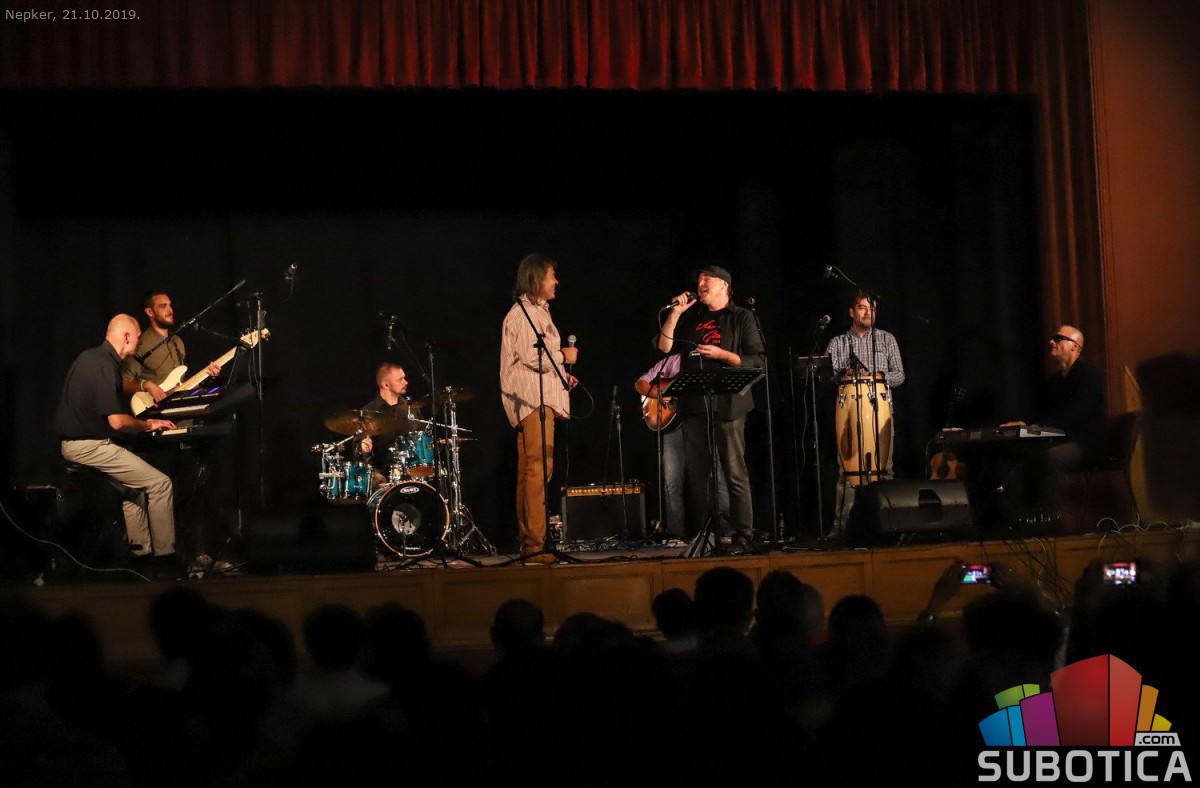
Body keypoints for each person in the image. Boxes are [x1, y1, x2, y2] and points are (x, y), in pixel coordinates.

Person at [54, 314, 181, 574]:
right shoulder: (104, 364)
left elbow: (117, 387)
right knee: (160, 484)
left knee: (133, 491)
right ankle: (165, 560)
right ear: (126, 337)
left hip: (74, 446)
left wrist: (144, 384)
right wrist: (149, 424)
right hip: (89, 447)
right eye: (137, 338)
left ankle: (140, 557)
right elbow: (117, 422)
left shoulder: (91, 357)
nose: (139, 344)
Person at [657, 265, 763, 547]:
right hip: (694, 406)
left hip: (729, 405)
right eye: (699, 279)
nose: (700, 283)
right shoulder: (690, 317)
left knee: (733, 472)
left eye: (707, 279)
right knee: (698, 476)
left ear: (724, 285)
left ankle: (743, 534)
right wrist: (675, 314)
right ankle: (708, 534)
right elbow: (664, 347)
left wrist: (724, 355)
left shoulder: (741, 317)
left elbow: (758, 361)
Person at [499, 253, 578, 564]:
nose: (556, 281)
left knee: (531, 472)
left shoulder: (536, 313)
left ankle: (531, 543)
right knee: (538, 470)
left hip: (537, 400)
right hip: (535, 402)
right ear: (536, 279)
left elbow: (535, 359)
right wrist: (563, 356)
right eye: (551, 276)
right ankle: (535, 546)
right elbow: (534, 357)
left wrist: (562, 375)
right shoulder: (523, 314)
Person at [993, 323, 1105, 521]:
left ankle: (1054, 518)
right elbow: (1044, 413)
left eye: (1059, 338)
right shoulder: (1055, 380)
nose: (1051, 342)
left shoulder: (1089, 375)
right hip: (1060, 439)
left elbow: (1076, 414)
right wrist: (1024, 423)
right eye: (1053, 338)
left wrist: (1037, 427)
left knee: (1051, 457)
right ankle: (1019, 518)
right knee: (1020, 455)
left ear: (1075, 346)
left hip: (1084, 444)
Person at [825, 290, 905, 531]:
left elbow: (900, 375)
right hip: (849, 412)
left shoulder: (886, 339)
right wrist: (844, 373)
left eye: (872, 309)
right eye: (862, 308)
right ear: (852, 312)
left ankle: (888, 526)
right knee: (847, 471)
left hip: (880, 410)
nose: (869, 313)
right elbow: (826, 375)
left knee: (884, 469)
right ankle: (842, 528)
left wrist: (881, 376)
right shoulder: (838, 342)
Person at [634, 353, 728, 541]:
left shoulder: (710, 360)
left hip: (701, 423)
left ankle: (726, 532)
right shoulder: (672, 361)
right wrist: (661, 394)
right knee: (672, 481)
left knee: (717, 475)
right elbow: (640, 384)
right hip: (674, 426)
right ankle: (676, 534)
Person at [121, 290, 221, 403]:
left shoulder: (177, 341)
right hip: (154, 409)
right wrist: (146, 385)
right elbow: (123, 383)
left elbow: (181, 385)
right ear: (150, 312)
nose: (170, 310)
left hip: (180, 406)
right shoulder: (140, 344)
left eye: (170, 305)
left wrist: (208, 376)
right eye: (163, 306)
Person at [358, 362, 424, 485]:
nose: (406, 382)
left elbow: (424, 438)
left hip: (414, 473)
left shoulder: (411, 409)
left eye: (404, 378)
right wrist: (363, 449)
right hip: (382, 477)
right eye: (400, 379)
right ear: (386, 384)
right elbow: (357, 453)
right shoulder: (368, 412)